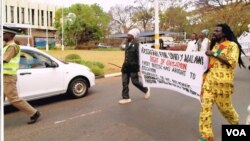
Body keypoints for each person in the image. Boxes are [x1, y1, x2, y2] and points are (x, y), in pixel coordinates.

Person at [198, 23, 246, 141]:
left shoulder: (232, 45)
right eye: (214, 31)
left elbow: (232, 62)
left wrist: (213, 53)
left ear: (224, 33)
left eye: (217, 31)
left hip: (223, 84)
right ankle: (207, 136)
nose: (214, 32)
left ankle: (235, 124)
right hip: (209, 83)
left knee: (226, 109)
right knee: (205, 109)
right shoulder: (216, 46)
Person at [3, 26, 41, 124]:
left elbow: (4, 60)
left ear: (10, 35)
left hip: (8, 77)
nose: (2, 35)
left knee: (13, 99)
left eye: (4, 33)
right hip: (4, 76)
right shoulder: (6, 46)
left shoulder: (12, 47)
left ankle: (34, 112)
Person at [119, 28, 150, 104]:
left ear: (133, 36)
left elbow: (140, 56)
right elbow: (120, 47)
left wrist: (140, 66)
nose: (127, 36)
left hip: (133, 67)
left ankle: (146, 90)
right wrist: (124, 41)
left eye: (129, 35)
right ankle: (126, 98)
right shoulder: (126, 43)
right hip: (125, 67)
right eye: (127, 35)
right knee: (124, 82)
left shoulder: (137, 44)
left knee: (135, 82)